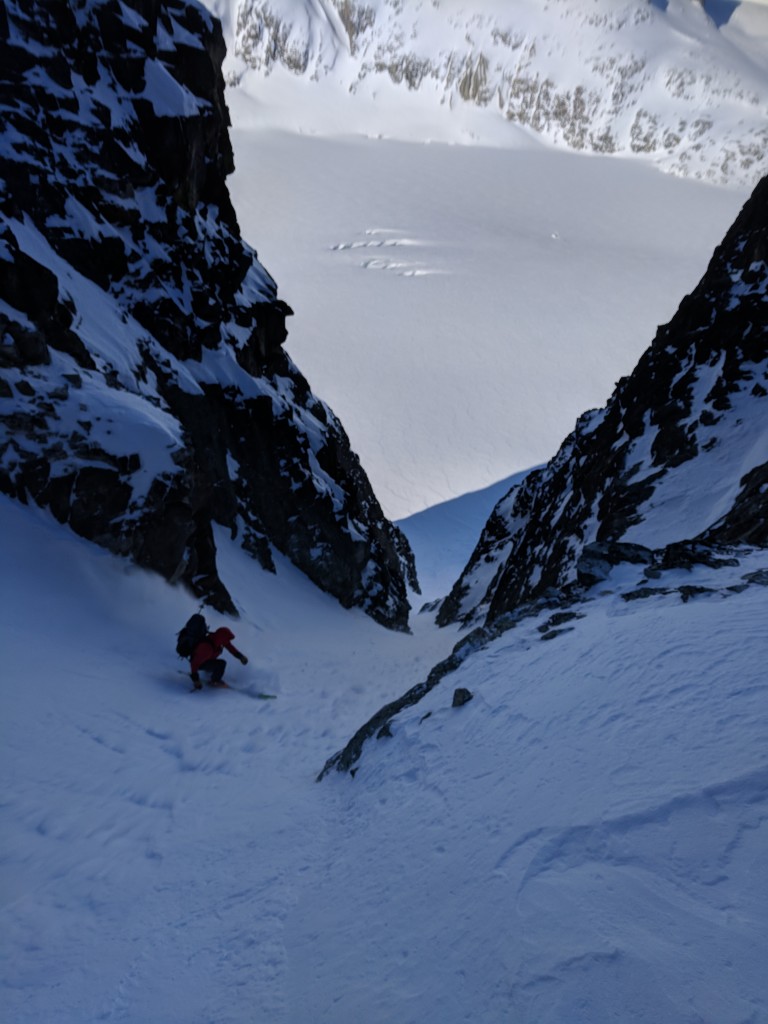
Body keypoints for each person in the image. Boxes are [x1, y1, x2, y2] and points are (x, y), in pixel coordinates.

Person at [189, 625, 248, 690]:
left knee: (216, 664)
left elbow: (231, 648)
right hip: (200, 663)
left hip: (207, 659)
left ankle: (210, 672)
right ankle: (215, 681)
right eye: (226, 639)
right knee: (221, 664)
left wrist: (241, 657)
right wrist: (196, 680)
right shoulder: (207, 647)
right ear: (222, 638)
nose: (227, 641)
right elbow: (194, 663)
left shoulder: (218, 640)